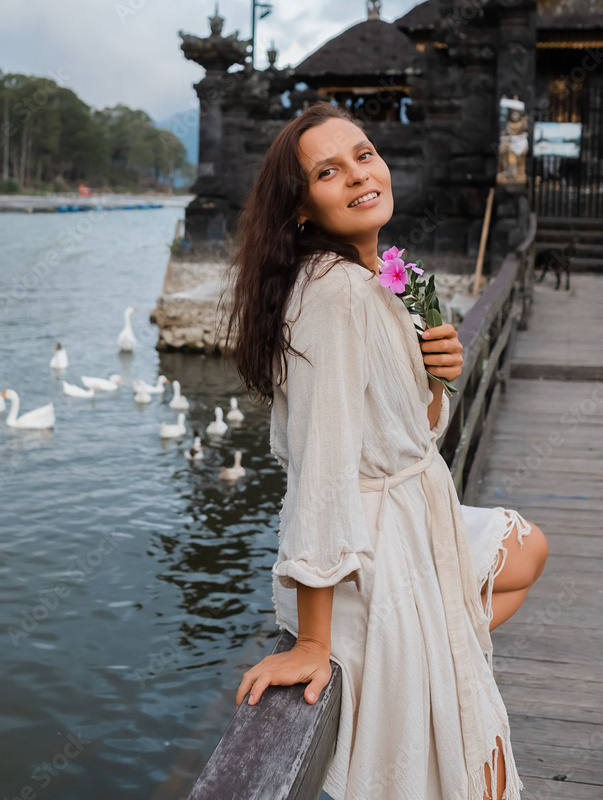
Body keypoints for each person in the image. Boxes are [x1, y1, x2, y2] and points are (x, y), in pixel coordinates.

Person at [225, 102, 548, 800]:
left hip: (414, 506)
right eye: (327, 171)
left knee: (525, 552)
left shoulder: (376, 281)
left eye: (363, 155)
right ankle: (394, 646)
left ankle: (428, 642)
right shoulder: (334, 295)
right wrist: (312, 644)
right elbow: (323, 467)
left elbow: (413, 431)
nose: (358, 175)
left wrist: (436, 370)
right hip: (369, 541)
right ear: (300, 207)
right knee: (457, 760)